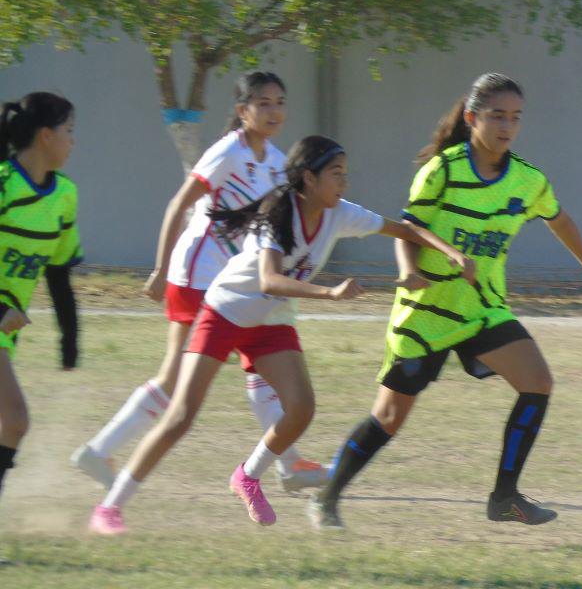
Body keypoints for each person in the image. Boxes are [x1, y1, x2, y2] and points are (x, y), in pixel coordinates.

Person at [88, 135, 473, 535]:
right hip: (226, 311)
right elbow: (270, 281)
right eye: (336, 174)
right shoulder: (276, 215)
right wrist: (330, 292)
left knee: (301, 408)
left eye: (346, 174)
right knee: (181, 416)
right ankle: (110, 507)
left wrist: (450, 252)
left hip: (269, 322)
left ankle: (248, 476)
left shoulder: (339, 213)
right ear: (309, 178)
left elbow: (404, 229)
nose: (345, 182)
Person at [310, 73, 582, 530]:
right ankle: (328, 499)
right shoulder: (442, 170)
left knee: (538, 381)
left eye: (515, 117)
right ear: (472, 117)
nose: (507, 126)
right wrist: (409, 270)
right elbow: (407, 228)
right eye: (497, 115)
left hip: (482, 308)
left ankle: (504, 497)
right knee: (389, 417)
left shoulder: (528, 180)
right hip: (427, 313)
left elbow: (561, 221)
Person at [71, 71, 326, 492]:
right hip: (198, 276)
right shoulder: (228, 151)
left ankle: (287, 463)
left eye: (280, 102)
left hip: (232, 282)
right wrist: (159, 267)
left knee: (257, 365)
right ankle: (99, 451)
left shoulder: (279, 163)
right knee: (180, 378)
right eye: (263, 103)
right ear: (243, 111)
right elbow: (179, 204)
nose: (274, 110)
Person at [0, 92, 82, 498]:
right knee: (14, 419)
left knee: (11, 422)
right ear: (46, 136)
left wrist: (70, 340)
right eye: (69, 131)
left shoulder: (64, 195)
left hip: (5, 329)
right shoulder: (3, 183)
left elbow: (58, 272)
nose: (74, 141)